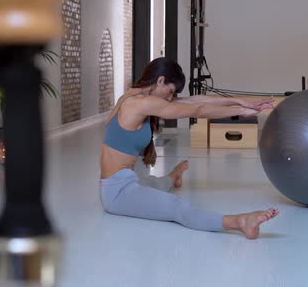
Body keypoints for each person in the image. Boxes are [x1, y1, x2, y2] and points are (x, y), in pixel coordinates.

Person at [99, 57, 279, 239]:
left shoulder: (132, 95)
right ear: (160, 80)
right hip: (118, 192)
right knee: (175, 206)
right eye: (170, 91)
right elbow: (197, 110)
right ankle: (240, 222)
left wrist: (239, 101)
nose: (170, 98)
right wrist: (241, 112)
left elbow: (193, 101)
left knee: (156, 184)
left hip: (129, 179)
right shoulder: (138, 104)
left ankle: (174, 175)